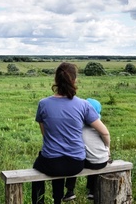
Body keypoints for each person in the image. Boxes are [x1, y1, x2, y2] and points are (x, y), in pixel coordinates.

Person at [32, 62, 110, 204]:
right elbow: (104, 132)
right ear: (74, 80)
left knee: (39, 164)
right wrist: (107, 149)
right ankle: (58, 199)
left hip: (51, 163)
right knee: (60, 161)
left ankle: (39, 201)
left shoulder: (43, 103)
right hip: (76, 163)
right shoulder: (83, 104)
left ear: (56, 80)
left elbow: (45, 134)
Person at [62, 98, 111, 202]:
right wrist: (107, 148)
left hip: (87, 161)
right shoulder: (99, 126)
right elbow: (105, 136)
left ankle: (70, 191)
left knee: (75, 160)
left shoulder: (79, 126)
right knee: (92, 159)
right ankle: (92, 191)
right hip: (102, 160)